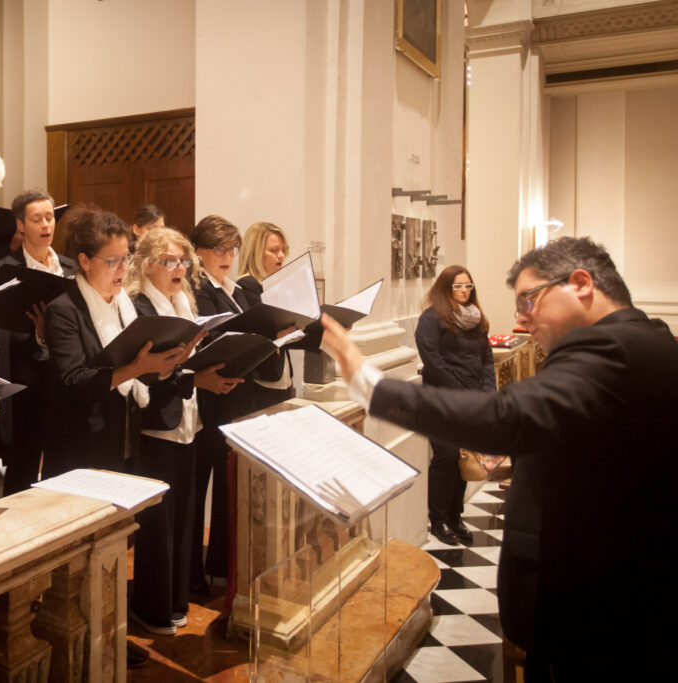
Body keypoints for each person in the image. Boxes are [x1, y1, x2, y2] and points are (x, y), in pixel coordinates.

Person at [319, 237, 678, 681]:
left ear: (581, 283)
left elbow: (505, 416)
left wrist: (370, 385)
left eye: (529, 298)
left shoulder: (611, 351)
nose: (521, 315)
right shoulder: (650, 338)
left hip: (596, 602)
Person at [125, 227, 241, 636]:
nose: (178, 268)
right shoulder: (139, 306)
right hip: (158, 423)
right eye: (168, 261)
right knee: (158, 523)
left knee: (185, 519)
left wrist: (201, 368)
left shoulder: (184, 301)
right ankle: (150, 607)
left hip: (189, 421)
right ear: (147, 265)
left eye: (183, 261)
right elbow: (149, 376)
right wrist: (194, 376)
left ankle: (175, 600)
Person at [42, 208, 187, 478]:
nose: (124, 268)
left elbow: (142, 372)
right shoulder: (65, 310)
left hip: (125, 436)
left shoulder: (124, 305)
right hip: (83, 446)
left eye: (126, 258)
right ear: (85, 261)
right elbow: (73, 382)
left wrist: (167, 363)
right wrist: (135, 368)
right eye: (113, 261)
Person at [0, 189, 77, 494]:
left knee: (65, 463)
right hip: (27, 386)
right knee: (24, 467)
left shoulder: (70, 267)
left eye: (50, 217)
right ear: (20, 225)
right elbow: (6, 333)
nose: (46, 225)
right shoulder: (7, 271)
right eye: (37, 219)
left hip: (67, 380)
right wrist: (40, 334)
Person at [188, 214, 256, 587]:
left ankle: (219, 567)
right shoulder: (196, 290)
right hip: (206, 396)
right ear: (199, 251)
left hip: (235, 399)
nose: (227, 255)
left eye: (232, 248)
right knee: (200, 488)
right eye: (218, 248)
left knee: (228, 486)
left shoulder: (238, 290)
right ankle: (195, 574)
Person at [414, 266, 495, 546]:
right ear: (445, 289)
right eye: (458, 286)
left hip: (471, 400)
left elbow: (486, 359)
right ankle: (438, 519)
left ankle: (455, 515)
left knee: (464, 457)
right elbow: (434, 362)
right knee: (446, 457)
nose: (464, 291)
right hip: (441, 400)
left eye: (468, 286)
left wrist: (487, 392)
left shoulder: (476, 320)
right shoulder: (431, 318)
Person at [235, 221, 296, 411]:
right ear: (255, 252)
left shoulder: (273, 284)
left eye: (283, 250)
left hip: (281, 374)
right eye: (274, 250)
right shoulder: (247, 286)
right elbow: (262, 331)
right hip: (261, 379)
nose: (281, 256)